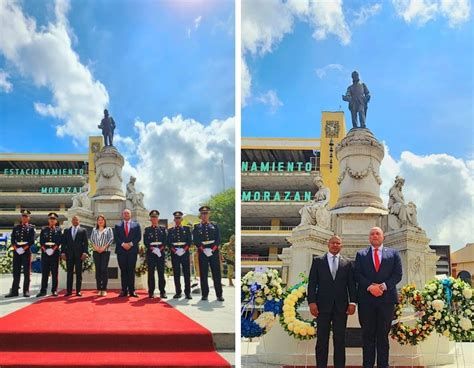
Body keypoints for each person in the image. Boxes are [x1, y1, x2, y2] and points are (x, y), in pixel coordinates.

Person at [355, 227, 403, 368]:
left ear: (383, 237)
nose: (375, 236)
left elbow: (397, 275)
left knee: (383, 336)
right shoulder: (361, 254)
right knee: (367, 336)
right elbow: (357, 274)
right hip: (366, 301)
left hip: (386, 300)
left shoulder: (394, 254)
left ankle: (383, 365)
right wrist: (370, 287)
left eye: (378, 233)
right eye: (372, 234)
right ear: (369, 237)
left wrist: (382, 287)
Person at [307, 235, 357, 368]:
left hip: (341, 307)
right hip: (322, 307)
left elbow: (351, 285)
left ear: (341, 246)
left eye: (338, 243)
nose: (335, 245)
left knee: (340, 340)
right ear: (328, 245)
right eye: (333, 243)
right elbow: (312, 283)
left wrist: (353, 302)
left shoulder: (347, 263)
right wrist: (311, 302)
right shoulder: (318, 261)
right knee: (322, 340)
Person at [193, 206, 224, 302]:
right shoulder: (197, 227)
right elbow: (196, 240)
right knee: (203, 274)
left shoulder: (214, 225)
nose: (204, 215)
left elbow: (218, 239)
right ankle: (205, 294)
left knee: (216, 274)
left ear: (209, 214)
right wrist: (203, 249)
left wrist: (213, 249)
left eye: (206, 213)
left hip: (213, 252)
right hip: (203, 252)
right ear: (200, 215)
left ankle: (219, 295)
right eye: (203, 213)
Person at [5, 210, 35, 298]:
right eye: (23, 216)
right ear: (21, 217)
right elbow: (13, 239)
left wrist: (23, 248)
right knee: (16, 272)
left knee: (26, 272)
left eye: (26, 216)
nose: (24, 218)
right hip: (17, 252)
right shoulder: (16, 228)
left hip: (26, 252)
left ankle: (26, 290)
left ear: (29, 218)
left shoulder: (31, 228)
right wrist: (16, 248)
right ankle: (14, 291)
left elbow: (31, 241)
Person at [114, 209, 141, 297]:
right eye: (124, 213)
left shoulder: (136, 225)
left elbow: (138, 237)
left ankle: (132, 290)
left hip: (132, 251)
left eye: (127, 213)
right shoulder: (117, 225)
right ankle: (124, 290)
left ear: (130, 215)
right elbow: (116, 237)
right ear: (122, 215)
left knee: (131, 270)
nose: (126, 214)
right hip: (121, 251)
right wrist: (123, 244)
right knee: (123, 270)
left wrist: (131, 244)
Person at [61, 215, 89, 296]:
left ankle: (78, 291)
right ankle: (69, 291)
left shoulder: (83, 230)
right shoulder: (67, 230)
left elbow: (85, 243)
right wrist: (62, 252)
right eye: (73, 219)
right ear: (71, 221)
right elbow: (64, 243)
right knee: (69, 273)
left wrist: (85, 253)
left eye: (76, 219)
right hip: (69, 255)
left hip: (79, 255)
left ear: (79, 221)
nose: (75, 221)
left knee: (78, 273)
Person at [167, 211, 193, 299]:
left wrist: (184, 249)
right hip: (175, 253)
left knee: (186, 273)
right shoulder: (170, 230)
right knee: (176, 273)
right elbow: (169, 243)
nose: (177, 219)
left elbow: (189, 242)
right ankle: (178, 292)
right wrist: (175, 250)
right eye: (176, 218)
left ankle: (187, 293)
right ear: (174, 219)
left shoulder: (187, 229)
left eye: (179, 218)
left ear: (182, 219)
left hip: (184, 252)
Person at [36, 212, 62, 297]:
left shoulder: (58, 230)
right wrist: (45, 250)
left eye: (53, 219)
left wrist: (53, 249)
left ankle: (54, 290)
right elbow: (41, 241)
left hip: (54, 253)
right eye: (50, 219)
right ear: (48, 220)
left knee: (55, 272)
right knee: (45, 272)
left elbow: (59, 241)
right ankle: (43, 290)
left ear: (56, 221)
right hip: (45, 253)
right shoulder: (44, 229)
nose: (52, 220)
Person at [143, 210, 167, 299]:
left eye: (155, 217)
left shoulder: (163, 229)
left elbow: (165, 241)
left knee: (161, 273)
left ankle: (162, 291)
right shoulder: (147, 230)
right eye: (152, 217)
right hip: (151, 253)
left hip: (160, 253)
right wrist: (152, 248)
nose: (154, 219)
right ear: (150, 219)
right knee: (151, 273)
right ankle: (151, 292)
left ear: (158, 218)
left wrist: (160, 249)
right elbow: (146, 242)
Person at [90, 215, 114, 296]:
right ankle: (99, 289)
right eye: (99, 220)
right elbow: (92, 239)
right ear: (97, 221)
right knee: (98, 270)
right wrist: (96, 248)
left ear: (104, 221)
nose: (100, 221)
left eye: (102, 220)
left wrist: (104, 247)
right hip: (96, 252)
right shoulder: (94, 230)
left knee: (104, 269)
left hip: (105, 252)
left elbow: (111, 239)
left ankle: (104, 289)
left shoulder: (108, 229)